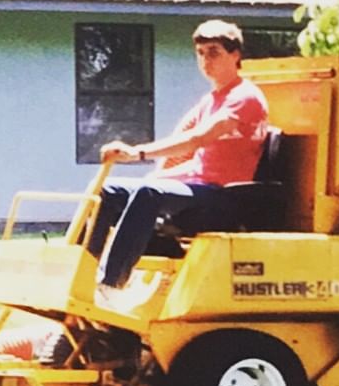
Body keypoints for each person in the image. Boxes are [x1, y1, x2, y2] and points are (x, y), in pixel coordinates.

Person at [87, 19, 269, 300]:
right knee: (108, 191)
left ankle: (111, 283)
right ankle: (81, 272)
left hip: (226, 200)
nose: (206, 60)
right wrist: (155, 175)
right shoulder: (211, 100)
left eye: (214, 51)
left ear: (235, 55)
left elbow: (198, 138)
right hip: (201, 189)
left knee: (150, 193)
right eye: (201, 53)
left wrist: (138, 153)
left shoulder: (245, 98)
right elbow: (197, 160)